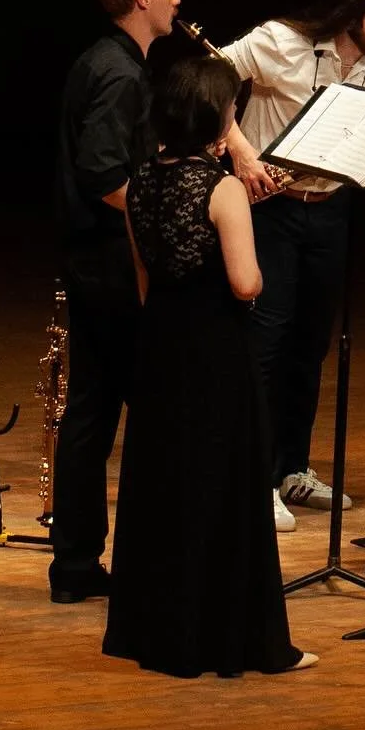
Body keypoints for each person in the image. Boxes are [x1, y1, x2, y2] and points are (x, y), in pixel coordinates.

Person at [103, 57, 315, 676]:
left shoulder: (140, 180)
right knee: (224, 489)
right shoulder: (221, 189)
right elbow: (246, 283)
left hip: (160, 346)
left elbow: (145, 279)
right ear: (217, 121)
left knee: (167, 486)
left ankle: (161, 634)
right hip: (218, 351)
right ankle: (238, 642)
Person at [219, 0, 365, 532]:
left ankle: (292, 469)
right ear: (351, 15)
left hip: (329, 210)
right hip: (269, 208)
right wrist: (242, 151)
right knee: (266, 341)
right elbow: (205, 80)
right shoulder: (281, 42)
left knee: (309, 343)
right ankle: (250, 478)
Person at [49, 0, 180, 604]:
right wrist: (164, 208)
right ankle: (143, 565)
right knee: (143, 414)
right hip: (113, 263)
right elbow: (103, 172)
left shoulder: (102, 59)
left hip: (94, 258)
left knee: (91, 414)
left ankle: (76, 567)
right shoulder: (122, 73)